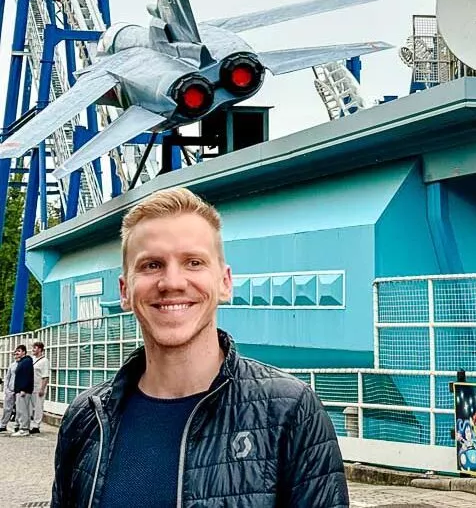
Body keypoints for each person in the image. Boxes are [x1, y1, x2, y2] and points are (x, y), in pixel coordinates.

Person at [51, 187, 349, 507]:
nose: (173, 282)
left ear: (224, 282)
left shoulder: (289, 411)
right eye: (151, 265)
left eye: (193, 262)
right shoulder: (85, 418)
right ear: (125, 291)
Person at [12, 345, 33, 437]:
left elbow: (26, 376)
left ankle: (24, 429)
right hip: (20, 390)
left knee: (23, 410)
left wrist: (23, 389)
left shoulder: (26, 362)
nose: (17, 353)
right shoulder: (22, 362)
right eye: (16, 351)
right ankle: (23, 427)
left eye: (19, 351)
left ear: (24, 352)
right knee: (21, 409)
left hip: (23, 390)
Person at [0, 346, 21, 432]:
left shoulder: (23, 364)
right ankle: (3, 424)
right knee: (7, 408)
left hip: (19, 390)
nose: (15, 355)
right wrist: (6, 389)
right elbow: (7, 377)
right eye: (14, 354)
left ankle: (17, 424)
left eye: (17, 353)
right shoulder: (12, 365)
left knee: (19, 409)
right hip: (11, 389)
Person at [31, 340, 50, 434]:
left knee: (38, 407)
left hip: (39, 387)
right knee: (31, 406)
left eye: (35, 348)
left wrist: (42, 388)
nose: (33, 350)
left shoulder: (44, 361)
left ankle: (36, 425)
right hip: (31, 386)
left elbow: (45, 376)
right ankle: (30, 423)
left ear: (40, 349)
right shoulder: (32, 359)